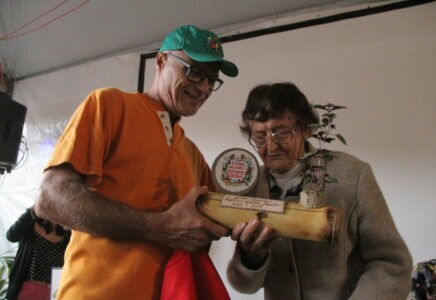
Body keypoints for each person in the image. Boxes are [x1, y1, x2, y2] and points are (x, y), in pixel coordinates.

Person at [34, 24, 238, 299]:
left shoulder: (194, 156)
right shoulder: (109, 105)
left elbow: (205, 230)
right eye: (194, 72)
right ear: (161, 61)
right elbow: (51, 198)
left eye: (211, 81)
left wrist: (255, 240)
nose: (203, 88)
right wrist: (159, 227)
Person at [226, 82, 413, 299]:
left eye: (282, 132)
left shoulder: (353, 175)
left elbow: (391, 262)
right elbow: (244, 287)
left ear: (305, 129)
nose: (271, 146)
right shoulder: (250, 187)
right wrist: (251, 257)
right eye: (260, 136)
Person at [6, 206, 70, 300]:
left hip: (53, 293)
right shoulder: (31, 220)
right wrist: (33, 210)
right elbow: (11, 236)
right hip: (25, 290)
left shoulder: (68, 231)